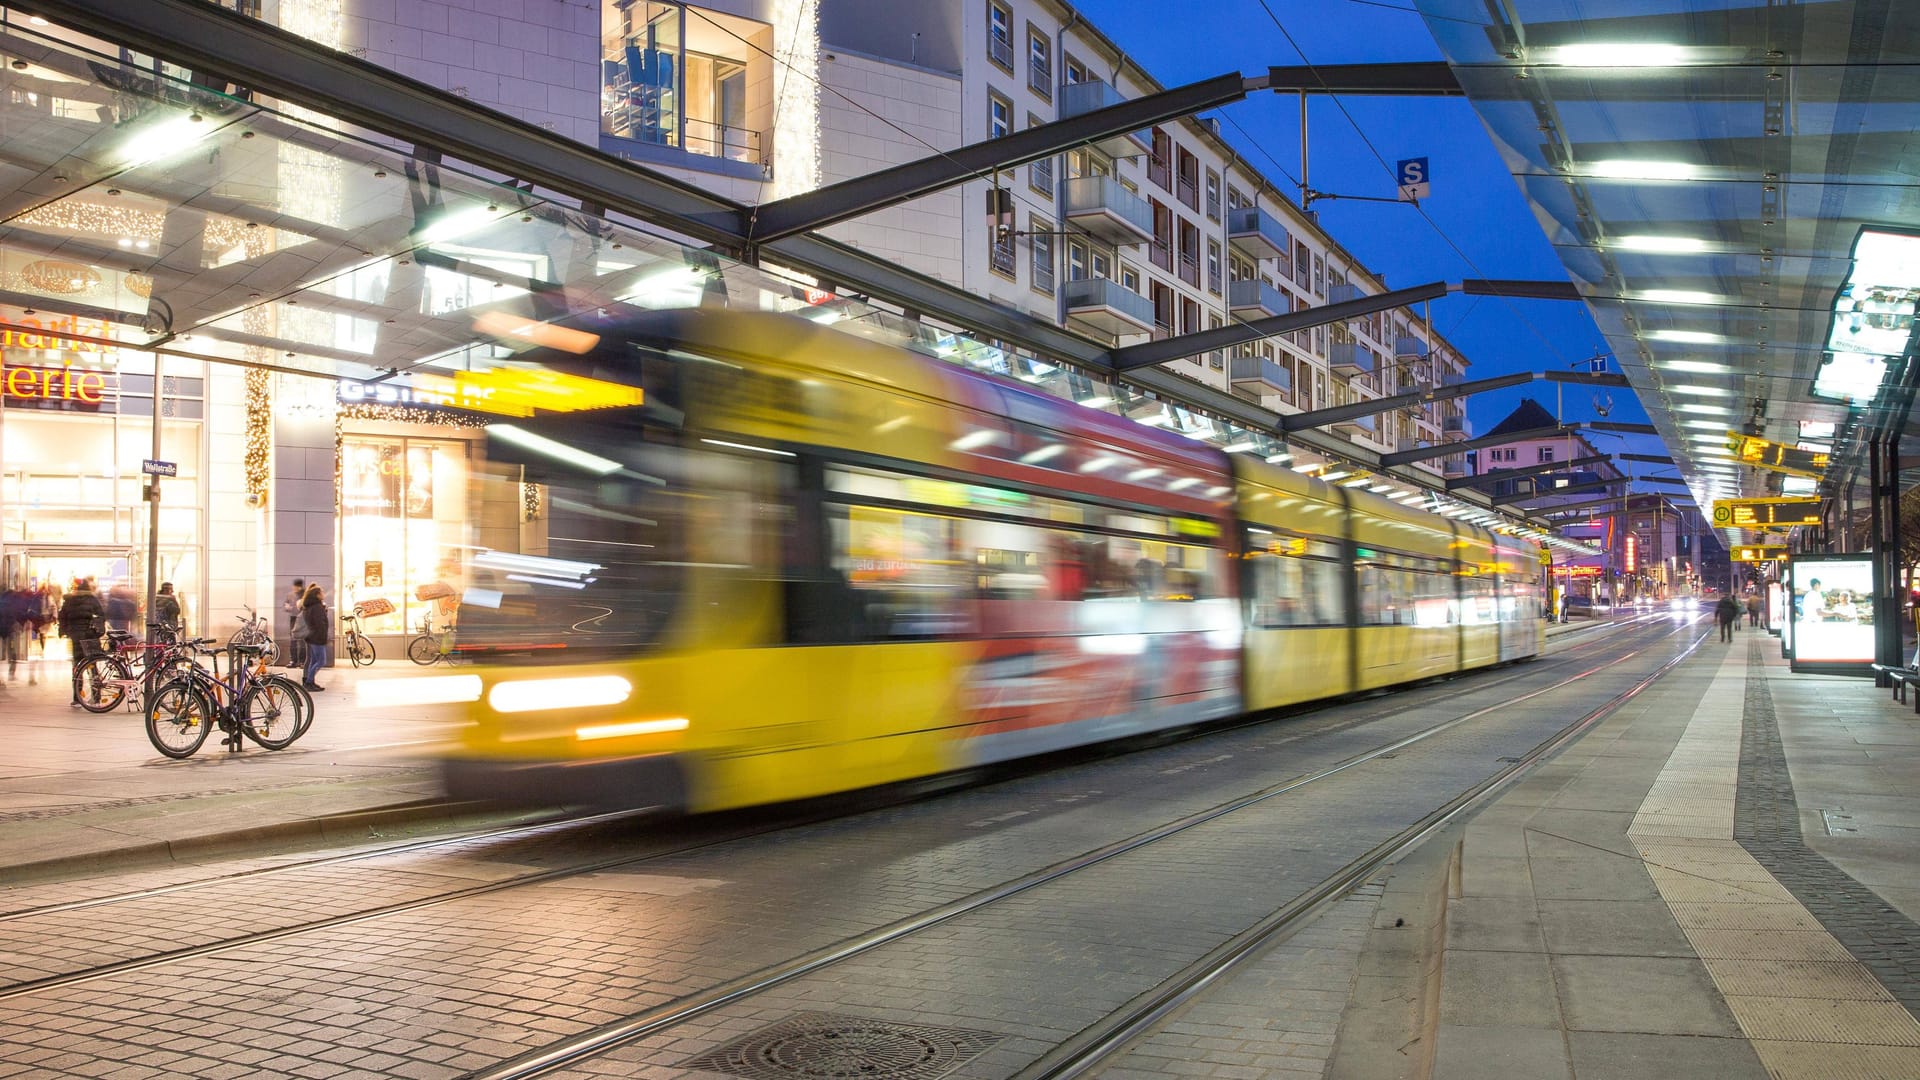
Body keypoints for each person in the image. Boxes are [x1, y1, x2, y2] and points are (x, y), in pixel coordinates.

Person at [58, 579, 106, 706]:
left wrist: (65, 631)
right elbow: (101, 615)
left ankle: (77, 697)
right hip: (90, 636)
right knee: (92, 665)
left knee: (77, 665)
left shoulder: (70, 600)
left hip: (75, 637)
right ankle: (96, 698)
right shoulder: (92, 600)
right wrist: (97, 631)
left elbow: (62, 616)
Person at [300, 584, 331, 692]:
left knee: (313, 661)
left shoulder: (309, 606)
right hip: (317, 638)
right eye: (321, 592)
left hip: (312, 636)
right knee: (321, 661)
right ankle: (309, 681)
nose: (323, 594)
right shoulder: (317, 607)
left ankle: (311, 681)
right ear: (317, 595)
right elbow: (320, 624)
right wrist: (324, 638)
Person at [283, 578, 307, 671]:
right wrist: (287, 607)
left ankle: (302, 661)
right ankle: (293, 660)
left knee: (302, 641)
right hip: (293, 618)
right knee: (293, 640)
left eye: (296, 587)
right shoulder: (290, 595)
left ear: (300, 587)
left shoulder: (305, 595)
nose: (294, 588)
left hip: (302, 619)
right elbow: (285, 605)